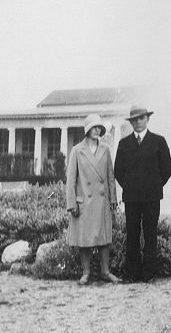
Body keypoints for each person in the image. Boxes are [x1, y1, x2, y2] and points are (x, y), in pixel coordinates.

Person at [114, 105, 171, 283]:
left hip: (152, 197)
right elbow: (118, 170)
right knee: (132, 234)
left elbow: (167, 168)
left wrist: (154, 185)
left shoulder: (158, 141)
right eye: (134, 119)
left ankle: (149, 273)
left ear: (148, 119)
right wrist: (130, 186)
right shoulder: (124, 143)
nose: (138, 122)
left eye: (141, 118)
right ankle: (132, 273)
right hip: (131, 197)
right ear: (131, 122)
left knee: (150, 234)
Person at [66, 113, 121, 285]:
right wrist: (72, 202)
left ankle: (105, 271)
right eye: (94, 127)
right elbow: (71, 180)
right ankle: (86, 272)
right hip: (85, 203)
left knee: (104, 238)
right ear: (87, 129)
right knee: (85, 238)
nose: (97, 130)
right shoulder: (76, 150)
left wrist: (113, 198)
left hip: (102, 200)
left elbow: (110, 177)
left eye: (100, 128)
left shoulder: (105, 150)